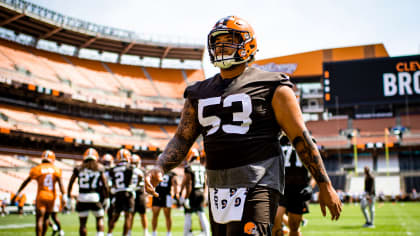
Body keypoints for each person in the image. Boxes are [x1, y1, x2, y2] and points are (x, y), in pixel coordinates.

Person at [145, 15, 342, 236]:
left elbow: (301, 138)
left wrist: (324, 184)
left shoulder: (273, 85)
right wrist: (160, 166)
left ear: (248, 44)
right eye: (217, 42)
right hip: (218, 185)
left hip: (259, 182)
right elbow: (183, 137)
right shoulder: (198, 92)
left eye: (228, 40)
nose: (220, 47)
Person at [13, 150, 66, 236]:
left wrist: (18, 192)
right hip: (51, 196)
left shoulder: (37, 168)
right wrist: (64, 196)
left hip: (41, 195)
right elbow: (61, 184)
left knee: (39, 219)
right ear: (52, 159)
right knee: (46, 218)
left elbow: (26, 181)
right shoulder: (56, 169)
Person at [272, 135, 316, 236]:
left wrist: (310, 186)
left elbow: (315, 170)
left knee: (294, 227)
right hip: (281, 188)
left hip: (299, 190)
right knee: (275, 222)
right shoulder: (278, 141)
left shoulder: (306, 141)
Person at [67, 148, 109, 236]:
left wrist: (68, 197)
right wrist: (107, 198)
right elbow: (105, 185)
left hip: (82, 197)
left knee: (82, 224)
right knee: (100, 219)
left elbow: (70, 183)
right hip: (94, 197)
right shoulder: (99, 168)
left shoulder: (79, 168)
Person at [107, 148, 141, 236]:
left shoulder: (113, 168)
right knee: (128, 216)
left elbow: (107, 179)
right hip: (128, 193)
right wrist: (135, 186)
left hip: (118, 193)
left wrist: (113, 186)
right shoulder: (131, 167)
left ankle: (109, 234)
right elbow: (140, 175)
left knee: (115, 216)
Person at [180, 149, 211, 236]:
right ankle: (207, 233)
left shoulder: (189, 167)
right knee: (201, 214)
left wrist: (186, 197)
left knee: (188, 215)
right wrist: (205, 194)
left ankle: (186, 234)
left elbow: (189, 183)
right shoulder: (202, 167)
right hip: (201, 192)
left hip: (193, 193)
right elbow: (206, 182)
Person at [151, 169, 178, 236]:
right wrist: (175, 195)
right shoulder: (171, 173)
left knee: (160, 215)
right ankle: (163, 233)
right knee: (164, 215)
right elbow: (175, 184)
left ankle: (165, 232)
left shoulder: (156, 171)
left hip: (160, 195)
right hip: (164, 195)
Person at [130, 154, 149, 236]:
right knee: (131, 215)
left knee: (142, 214)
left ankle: (145, 232)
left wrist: (146, 194)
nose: (134, 164)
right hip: (132, 193)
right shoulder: (129, 170)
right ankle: (128, 231)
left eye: (135, 163)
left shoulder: (142, 171)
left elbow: (146, 183)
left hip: (140, 193)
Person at [100, 153, 115, 229]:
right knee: (101, 215)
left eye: (107, 162)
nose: (106, 164)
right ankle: (101, 232)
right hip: (103, 192)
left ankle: (109, 233)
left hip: (110, 192)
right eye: (105, 162)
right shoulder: (101, 169)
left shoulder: (113, 170)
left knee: (110, 214)